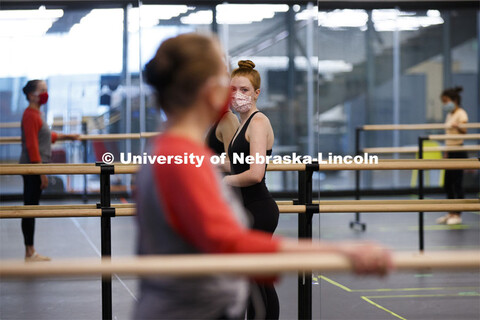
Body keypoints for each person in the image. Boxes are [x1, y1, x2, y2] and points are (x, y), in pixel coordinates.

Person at [135, 33, 392, 320]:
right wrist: (339, 251)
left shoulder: (171, 150)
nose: (232, 94)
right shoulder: (181, 159)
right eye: (225, 83)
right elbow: (230, 243)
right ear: (210, 91)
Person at [223, 60, 280, 319]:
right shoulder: (240, 123)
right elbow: (236, 164)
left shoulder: (257, 122)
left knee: (258, 282)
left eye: (245, 90)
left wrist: (224, 182)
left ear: (257, 93)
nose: (238, 96)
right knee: (249, 281)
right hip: (245, 208)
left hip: (258, 209)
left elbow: (256, 173)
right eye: (233, 90)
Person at [20, 80, 79, 262]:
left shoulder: (36, 114)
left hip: (36, 167)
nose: (46, 93)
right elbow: (32, 145)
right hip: (33, 167)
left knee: (32, 208)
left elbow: (45, 135)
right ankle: (30, 251)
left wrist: (67, 136)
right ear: (31, 95)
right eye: (42, 90)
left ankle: (30, 250)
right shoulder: (30, 115)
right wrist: (41, 172)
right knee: (30, 209)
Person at [436, 86, 469, 225]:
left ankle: (457, 214)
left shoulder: (461, 113)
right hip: (450, 151)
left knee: (457, 184)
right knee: (447, 184)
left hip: (459, 151)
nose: (444, 104)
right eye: (443, 101)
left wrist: (458, 127)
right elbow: (448, 135)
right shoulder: (449, 115)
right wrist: (446, 152)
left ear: (454, 100)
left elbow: (464, 130)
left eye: (446, 101)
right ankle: (450, 213)